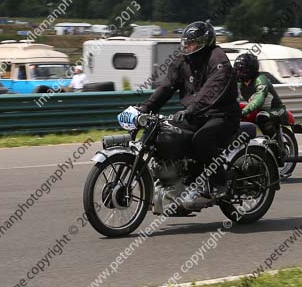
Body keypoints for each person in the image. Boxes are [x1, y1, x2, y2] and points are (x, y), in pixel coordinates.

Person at [122, 21, 240, 200]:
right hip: (195, 115)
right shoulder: (183, 61)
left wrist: (191, 109)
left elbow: (211, 90)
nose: (187, 46)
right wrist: (145, 108)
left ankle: (219, 182)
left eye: (192, 43)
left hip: (222, 115)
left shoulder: (217, 59)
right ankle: (181, 177)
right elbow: (167, 86)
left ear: (204, 43)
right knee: (164, 132)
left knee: (202, 139)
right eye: (185, 42)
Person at [234, 52, 287, 140]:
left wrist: (244, 111)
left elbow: (259, 98)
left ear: (250, 69)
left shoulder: (260, 79)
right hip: (256, 110)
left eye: (241, 70)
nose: (238, 72)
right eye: (237, 69)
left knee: (262, 117)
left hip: (276, 110)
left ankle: (275, 141)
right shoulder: (240, 82)